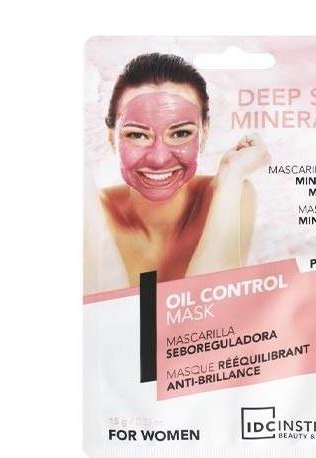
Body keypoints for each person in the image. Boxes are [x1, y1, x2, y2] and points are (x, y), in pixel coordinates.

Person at [100, 52, 270, 285]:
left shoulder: (232, 193)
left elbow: (216, 302)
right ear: (111, 137)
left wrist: (232, 174)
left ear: (204, 132)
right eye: (137, 135)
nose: (159, 159)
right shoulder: (89, 212)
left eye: (181, 133)